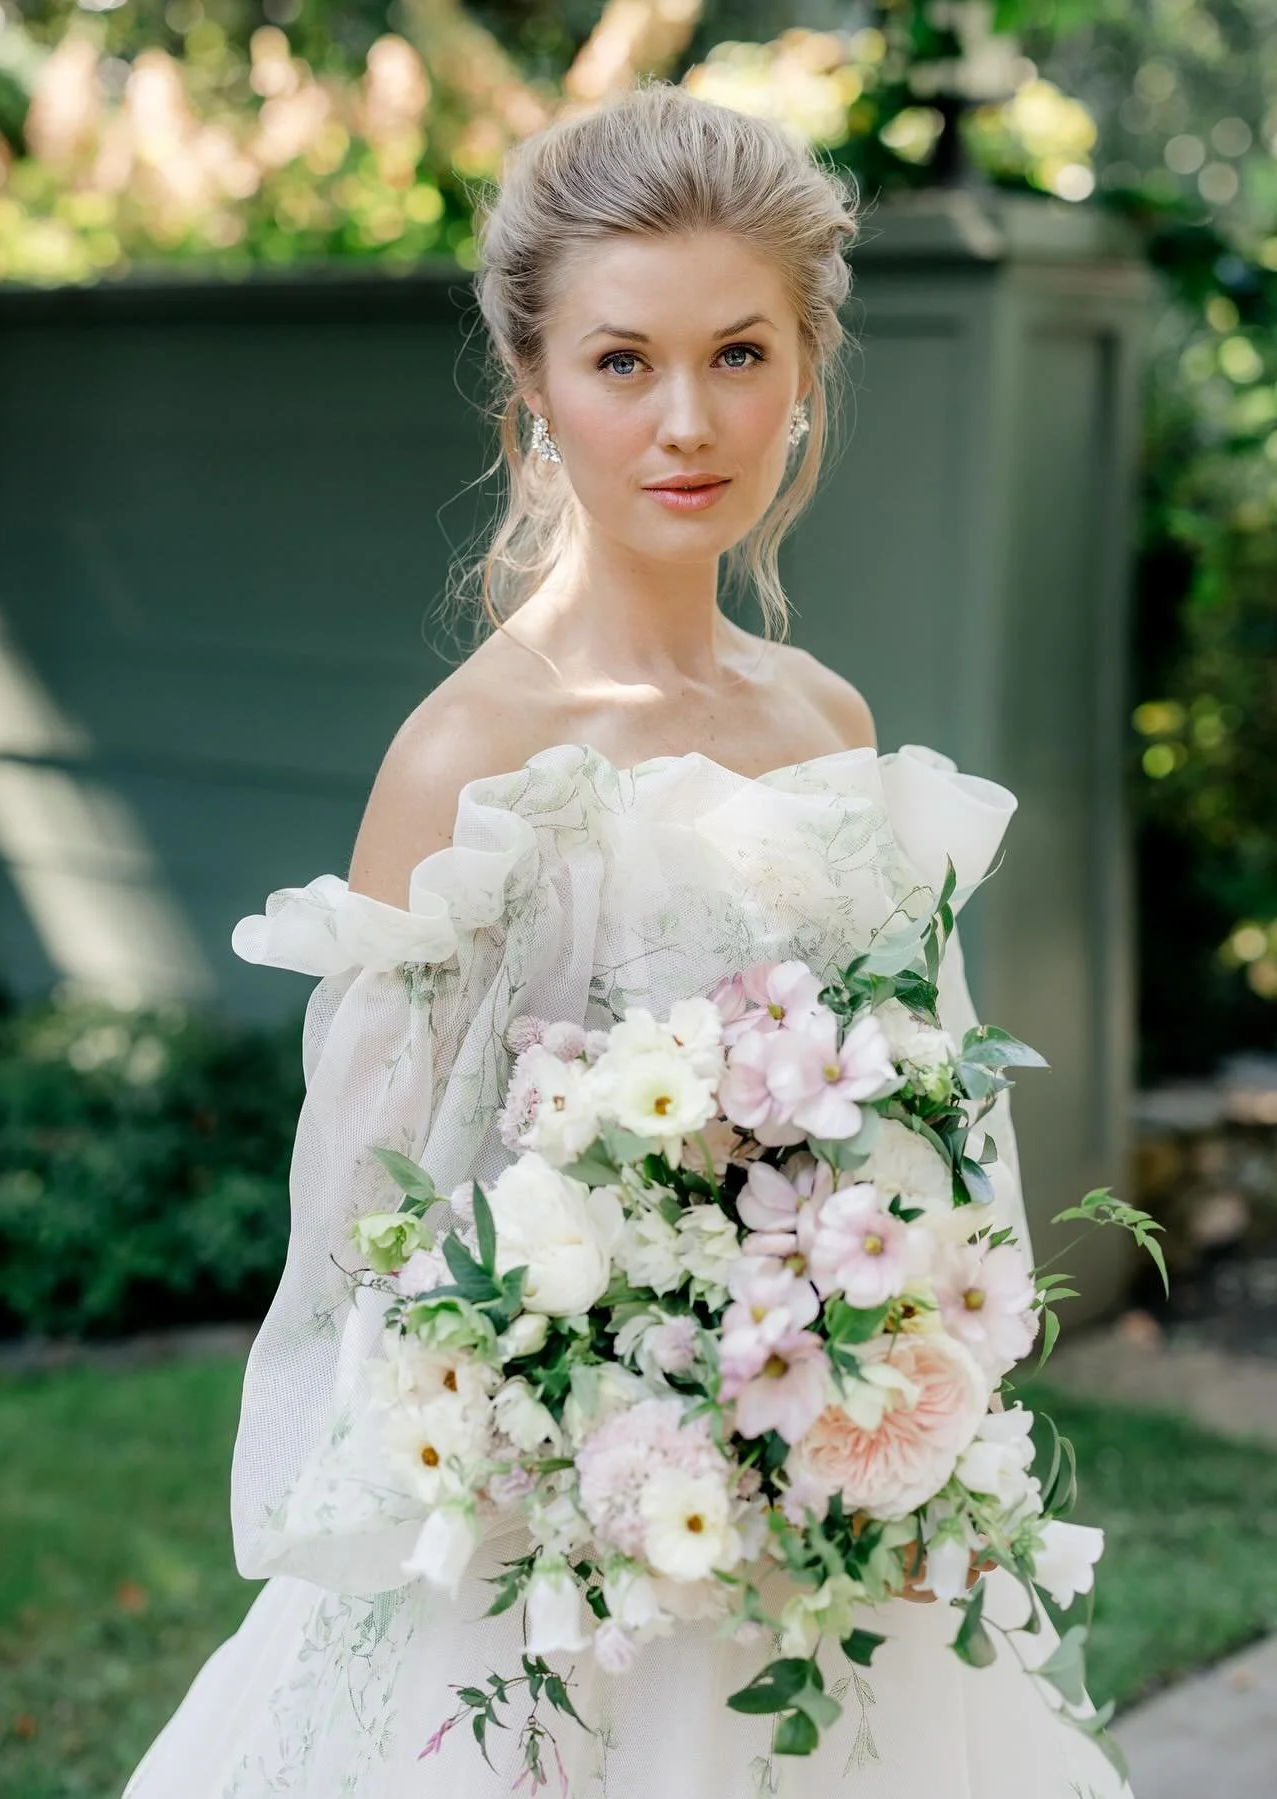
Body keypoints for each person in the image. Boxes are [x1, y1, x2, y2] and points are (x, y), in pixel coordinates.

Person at [123, 81, 1131, 1799]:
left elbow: (923, 1140)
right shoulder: (468, 761)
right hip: (552, 1574)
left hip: (817, 1530)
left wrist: (872, 1376)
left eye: (741, 353)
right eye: (622, 362)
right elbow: (377, 1243)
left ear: (807, 367)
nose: (689, 420)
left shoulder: (829, 723)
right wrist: (597, 1380)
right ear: (532, 386)